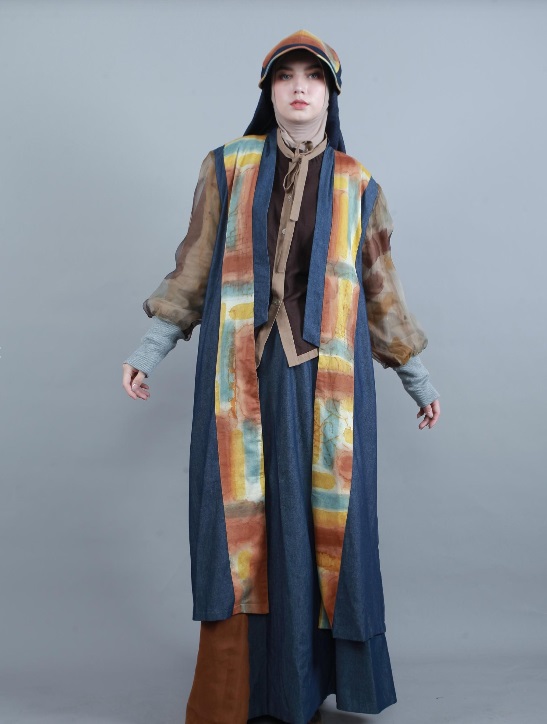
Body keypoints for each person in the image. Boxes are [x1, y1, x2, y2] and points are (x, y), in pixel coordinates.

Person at [122, 29, 441, 724]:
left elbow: (380, 290)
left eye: (313, 77)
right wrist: (150, 349)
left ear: (330, 93)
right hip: (238, 375)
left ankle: (302, 688)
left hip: (330, 385)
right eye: (285, 76)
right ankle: (240, 691)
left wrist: (416, 378)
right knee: (240, 531)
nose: (299, 87)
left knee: (315, 528)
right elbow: (194, 267)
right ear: (267, 91)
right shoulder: (227, 167)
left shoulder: (358, 184)